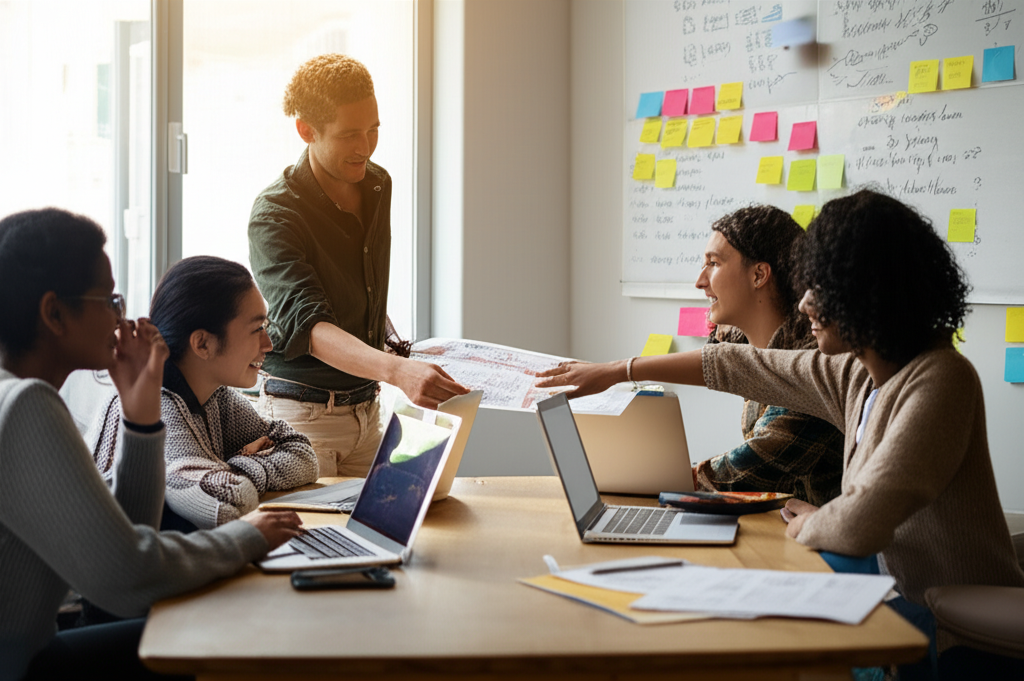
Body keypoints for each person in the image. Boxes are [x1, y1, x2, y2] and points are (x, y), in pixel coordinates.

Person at [538, 190, 1024, 669]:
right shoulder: (856, 374)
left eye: (821, 285)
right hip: (895, 593)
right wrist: (618, 370)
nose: (806, 302)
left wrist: (819, 520)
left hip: (954, 635)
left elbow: (863, 523)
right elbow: (738, 363)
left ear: (869, 291)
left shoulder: (942, 379)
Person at [0, 208, 304, 681]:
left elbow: (129, 533)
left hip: (34, 653)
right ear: (54, 313)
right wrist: (248, 536)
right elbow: (125, 578)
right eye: (109, 300)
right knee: (251, 642)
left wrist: (141, 420)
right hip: (24, 668)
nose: (124, 317)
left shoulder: (20, 397)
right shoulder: (25, 405)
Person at [248, 53, 467, 477]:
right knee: (314, 542)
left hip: (368, 413)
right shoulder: (274, 214)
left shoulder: (377, 182)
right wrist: (398, 371)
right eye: (350, 134)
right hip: (302, 418)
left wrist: (396, 345)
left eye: (373, 130)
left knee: (380, 536)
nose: (364, 147)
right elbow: (309, 326)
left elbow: (357, 288)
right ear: (306, 130)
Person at [91, 256, 319, 531]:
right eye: (257, 329)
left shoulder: (215, 396)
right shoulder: (158, 405)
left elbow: (303, 453)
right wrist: (241, 461)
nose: (268, 344)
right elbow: (228, 502)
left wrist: (226, 468)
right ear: (202, 344)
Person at [690, 205, 843, 506]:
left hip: (826, 547)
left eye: (713, 264)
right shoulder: (760, 345)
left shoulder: (813, 362)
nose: (700, 281)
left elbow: (754, 467)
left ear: (759, 274)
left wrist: (672, 477)